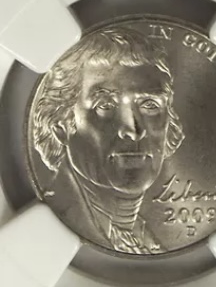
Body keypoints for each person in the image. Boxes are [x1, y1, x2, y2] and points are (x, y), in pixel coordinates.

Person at [31, 27, 184, 254]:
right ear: (60, 124)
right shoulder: (43, 234)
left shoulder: (148, 242)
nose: (134, 130)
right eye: (105, 105)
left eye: (150, 105)